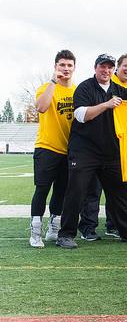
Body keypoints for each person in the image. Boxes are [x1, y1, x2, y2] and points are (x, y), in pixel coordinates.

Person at [56, 54, 127, 248]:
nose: (106, 70)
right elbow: (80, 115)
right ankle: (65, 235)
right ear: (95, 68)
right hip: (84, 150)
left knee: (120, 194)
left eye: (109, 67)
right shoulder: (85, 87)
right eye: (102, 67)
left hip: (111, 151)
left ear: (113, 69)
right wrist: (106, 105)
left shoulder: (119, 90)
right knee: (76, 192)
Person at [29, 50, 77, 247]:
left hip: (69, 150)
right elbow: (41, 107)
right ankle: (35, 231)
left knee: (61, 191)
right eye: (62, 65)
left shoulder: (77, 90)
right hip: (47, 147)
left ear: (74, 68)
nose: (65, 69)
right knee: (42, 190)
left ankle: (54, 228)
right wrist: (53, 82)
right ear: (55, 67)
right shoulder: (46, 87)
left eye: (69, 66)